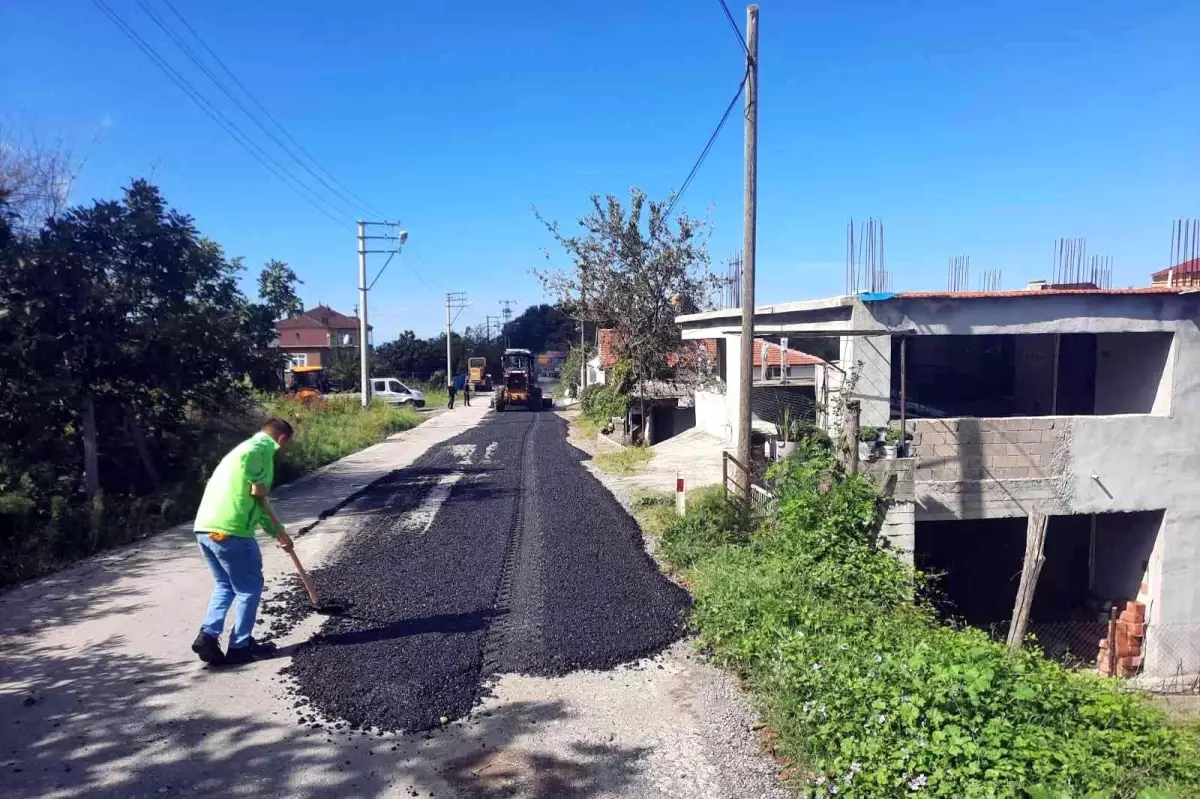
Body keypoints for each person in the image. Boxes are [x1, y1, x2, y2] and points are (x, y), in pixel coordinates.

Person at [191, 418, 295, 666]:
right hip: (231, 531)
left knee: (225, 584)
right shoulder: (259, 450)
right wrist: (279, 533)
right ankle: (240, 646)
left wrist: (278, 533)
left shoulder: (238, 452)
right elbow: (258, 499)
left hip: (205, 528)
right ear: (281, 439)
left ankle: (208, 635)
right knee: (249, 587)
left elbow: (257, 503)